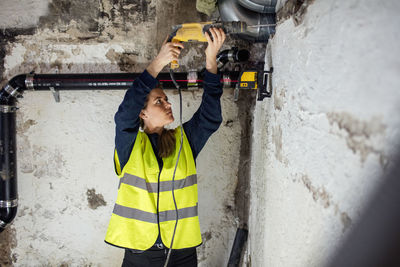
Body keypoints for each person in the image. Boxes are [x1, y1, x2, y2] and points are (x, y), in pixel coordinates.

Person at [105, 27, 226, 267]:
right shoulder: (130, 145)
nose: (168, 104)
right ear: (143, 113)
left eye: (167, 99)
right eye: (159, 101)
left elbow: (210, 118)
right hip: (140, 252)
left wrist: (211, 61)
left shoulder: (184, 142)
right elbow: (124, 115)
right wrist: (158, 62)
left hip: (181, 251)